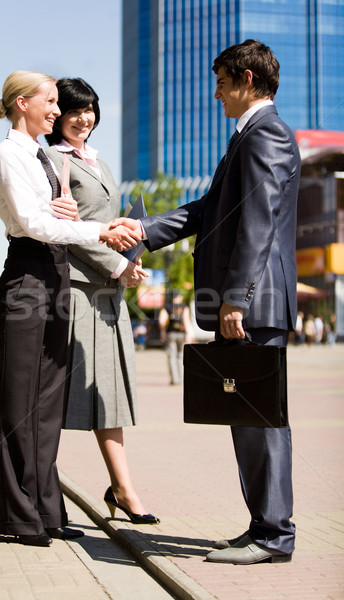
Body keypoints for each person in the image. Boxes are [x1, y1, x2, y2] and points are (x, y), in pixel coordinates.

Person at [112, 40, 300, 564]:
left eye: (220, 82)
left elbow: (258, 223)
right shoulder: (248, 138)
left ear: (244, 78)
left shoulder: (267, 135)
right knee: (248, 418)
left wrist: (235, 300)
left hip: (253, 303)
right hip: (248, 301)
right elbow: (208, 209)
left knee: (261, 420)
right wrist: (144, 230)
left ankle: (273, 536)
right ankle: (263, 526)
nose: (216, 94)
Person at [0, 70, 140, 547]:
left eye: (57, 102)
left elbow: (58, 216)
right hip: (27, 277)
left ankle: (48, 507)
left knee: (49, 403)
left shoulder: (41, 157)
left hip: (55, 277)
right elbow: (34, 223)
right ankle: (20, 516)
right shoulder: (6, 154)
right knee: (19, 401)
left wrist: (83, 217)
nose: (56, 110)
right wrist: (99, 232)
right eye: (49, 101)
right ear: (20, 103)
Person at [45, 78, 159, 524]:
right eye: (75, 109)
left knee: (107, 393)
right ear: (57, 114)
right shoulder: (52, 160)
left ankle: (123, 489)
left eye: (91, 109)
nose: (84, 118)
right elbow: (68, 233)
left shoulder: (100, 163)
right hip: (75, 290)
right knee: (57, 396)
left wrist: (131, 242)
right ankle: (43, 490)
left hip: (109, 292)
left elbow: (104, 221)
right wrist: (117, 266)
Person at [158, 291, 191, 384]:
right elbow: (186, 320)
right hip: (181, 334)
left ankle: (174, 379)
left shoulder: (167, 307)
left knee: (171, 356)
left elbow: (162, 321)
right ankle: (181, 377)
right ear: (179, 297)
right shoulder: (184, 307)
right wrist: (188, 334)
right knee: (180, 356)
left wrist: (162, 332)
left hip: (171, 334)